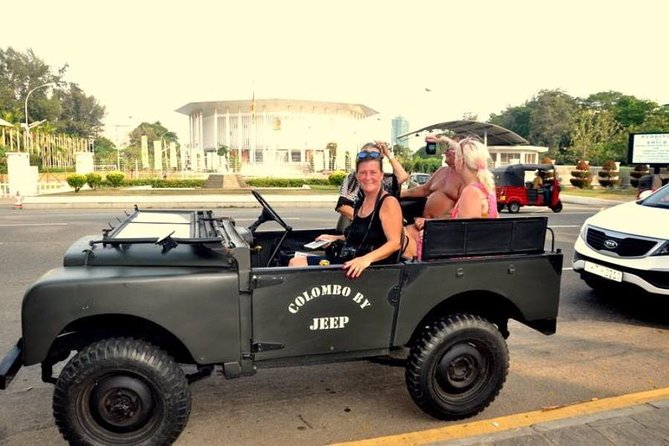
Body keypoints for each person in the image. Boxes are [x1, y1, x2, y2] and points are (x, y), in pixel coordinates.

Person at [290, 148, 411, 277]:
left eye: (373, 172)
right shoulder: (360, 202)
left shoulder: (388, 203)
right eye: (363, 173)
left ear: (381, 175)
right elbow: (361, 234)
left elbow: (395, 243)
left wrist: (365, 260)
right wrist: (334, 238)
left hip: (367, 269)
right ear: (357, 176)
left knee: (297, 264)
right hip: (349, 260)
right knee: (295, 261)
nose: (368, 177)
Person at [336, 142, 409, 229]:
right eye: (365, 154)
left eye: (373, 172)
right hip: (355, 225)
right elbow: (343, 206)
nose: (368, 177)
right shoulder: (352, 178)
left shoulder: (385, 179)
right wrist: (365, 221)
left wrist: (388, 154)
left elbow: (403, 176)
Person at [403, 134, 464, 235]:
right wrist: (398, 194)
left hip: (442, 228)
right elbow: (424, 190)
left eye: (450, 148)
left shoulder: (465, 178)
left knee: (402, 237)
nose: (446, 151)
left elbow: (460, 210)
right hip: (424, 224)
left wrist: (432, 222)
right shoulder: (442, 171)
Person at [448, 137, 499, 219]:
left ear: (461, 161)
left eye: (456, 156)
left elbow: (466, 230)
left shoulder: (470, 192)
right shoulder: (488, 187)